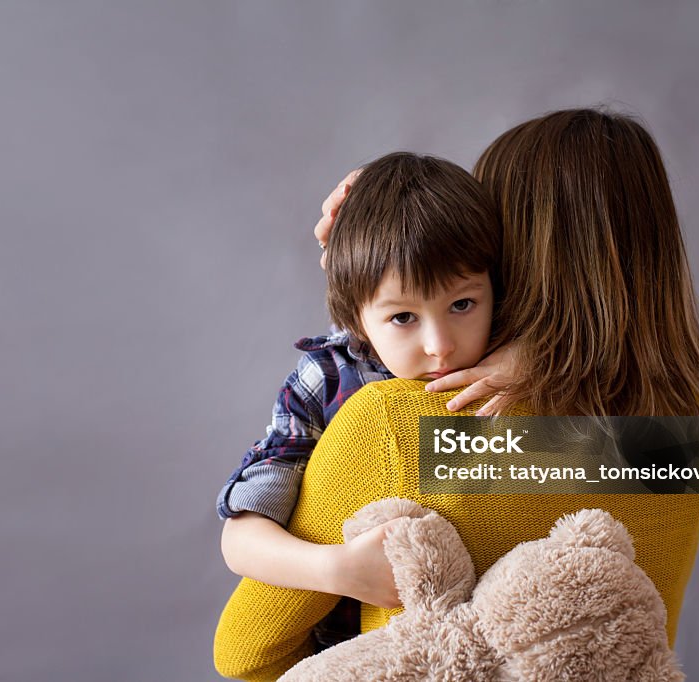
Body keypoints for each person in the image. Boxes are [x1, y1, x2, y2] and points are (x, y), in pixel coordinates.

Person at [214, 108, 699, 681]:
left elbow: (245, 654)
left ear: (506, 249)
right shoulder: (692, 431)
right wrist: (385, 211)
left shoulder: (397, 426)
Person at [216, 152, 504, 647]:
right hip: (350, 645)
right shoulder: (330, 381)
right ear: (356, 318)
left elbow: (655, 459)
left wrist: (526, 361)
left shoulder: (505, 360)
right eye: (403, 317)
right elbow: (241, 537)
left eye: (462, 305)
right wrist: (338, 569)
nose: (440, 345)